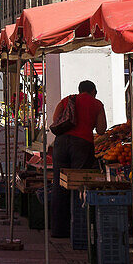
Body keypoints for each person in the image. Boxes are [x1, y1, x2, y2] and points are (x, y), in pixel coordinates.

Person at [50, 80, 106, 238]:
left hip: (60, 144)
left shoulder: (67, 100)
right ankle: (79, 230)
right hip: (82, 145)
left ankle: (59, 230)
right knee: (79, 185)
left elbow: (56, 121)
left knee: (59, 184)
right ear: (93, 91)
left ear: (79, 90)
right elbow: (101, 129)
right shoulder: (97, 104)